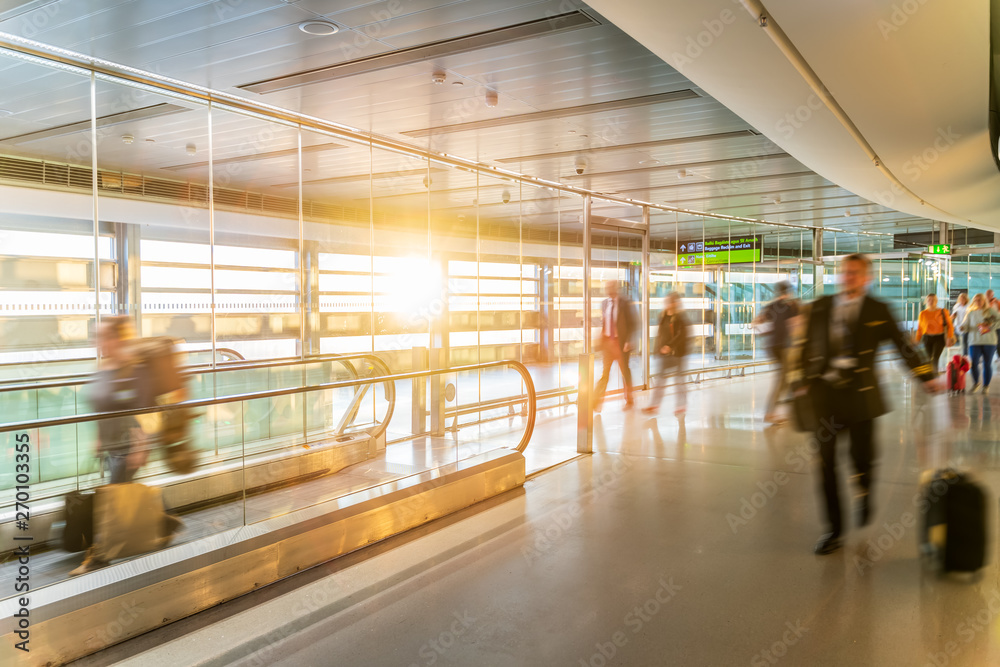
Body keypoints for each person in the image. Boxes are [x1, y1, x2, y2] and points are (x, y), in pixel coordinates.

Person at [793, 254, 938, 555]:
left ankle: (865, 490)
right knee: (826, 465)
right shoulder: (820, 306)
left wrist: (926, 375)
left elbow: (903, 346)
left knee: (862, 459)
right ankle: (834, 529)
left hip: (861, 397)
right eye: (846, 272)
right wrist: (801, 380)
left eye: (856, 273)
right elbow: (806, 345)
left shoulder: (878, 310)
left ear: (867, 278)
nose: (850, 277)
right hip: (825, 397)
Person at [753, 281, 800, 423]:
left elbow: (755, 323)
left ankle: (793, 406)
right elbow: (796, 327)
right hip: (785, 347)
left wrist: (766, 333)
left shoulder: (770, 307)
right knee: (784, 378)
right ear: (789, 292)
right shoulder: (791, 306)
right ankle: (770, 412)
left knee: (788, 376)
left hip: (772, 347)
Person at [593, 280, 637, 412]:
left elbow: (633, 323)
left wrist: (629, 340)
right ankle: (596, 403)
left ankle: (629, 400)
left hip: (621, 343)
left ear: (616, 288)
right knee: (605, 373)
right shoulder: (605, 303)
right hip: (607, 343)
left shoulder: (625, 302)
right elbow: (605, 322)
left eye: (610, 287)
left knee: (625, 372)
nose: (608, 289)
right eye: (607, 287)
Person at [644, 292, 690, 416]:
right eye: (667, 301)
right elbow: (660, 335)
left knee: (679, 380)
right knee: (660, 380)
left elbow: (681, 335)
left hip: (678, 354)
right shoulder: (663, 316)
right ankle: (654, 405)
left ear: (675, 303)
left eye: (670, 301)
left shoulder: (680, 318)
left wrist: (670, 346)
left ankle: (681, 405)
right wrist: (657, 349)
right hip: (665, 354)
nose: (667, 304)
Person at [960, 293, 998, 394]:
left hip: (989, 341)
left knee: (987, 363)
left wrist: (990, 325)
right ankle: (976, 383)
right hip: (974, 341)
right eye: (976, 300)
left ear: (984, 301)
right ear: (973, 301)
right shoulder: (970, 313)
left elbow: (998, 321)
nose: (978, 302)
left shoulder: (990, 311)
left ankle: (986, 386)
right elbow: (965, 325)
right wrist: (962, 327)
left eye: (980, 300)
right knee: (974, 363)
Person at [914, 293, 954, 374]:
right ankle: (931, 375)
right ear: (926, 301)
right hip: (927, 338)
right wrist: (917, 340)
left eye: (933, 300)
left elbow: (950, 326)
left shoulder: (943, 311)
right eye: (929, 300)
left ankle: (934, 375)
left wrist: (949, 337)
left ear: (936, 301)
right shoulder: (923, 314)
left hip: (939, 338)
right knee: (928, 358)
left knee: (935, 357)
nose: (931, 301)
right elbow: (920, 329)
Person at [951, 292, 970, 357]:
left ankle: (965, 356)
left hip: (965, 326)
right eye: (961, 298)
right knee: (956, 341)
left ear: (966, 299)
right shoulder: (956, 306)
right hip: (957, 325)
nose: (962, 300)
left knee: (965, 342)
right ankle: (957, 355)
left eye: (963, 298)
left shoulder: (968, 306)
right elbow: (954, 315)